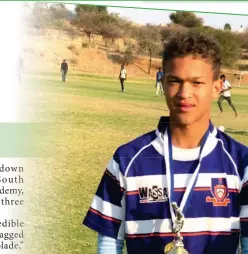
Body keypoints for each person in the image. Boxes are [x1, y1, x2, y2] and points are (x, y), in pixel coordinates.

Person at [83, 31, 248, 254]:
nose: (184, 93)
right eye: (175, 81)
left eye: (197, 83)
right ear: (163, 81)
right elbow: (110, 242)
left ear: (216, 88)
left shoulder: (241, 162)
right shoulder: (127, 159)